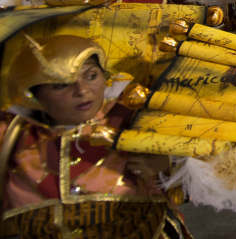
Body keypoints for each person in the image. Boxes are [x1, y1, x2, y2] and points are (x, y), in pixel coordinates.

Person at [0, 35, 190, 238]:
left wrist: (170, 165)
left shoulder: (136, 115)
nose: (82, 91)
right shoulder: (13, 133)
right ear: (34, 92)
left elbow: (212, 173)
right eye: (61, 84)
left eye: (91, 76)